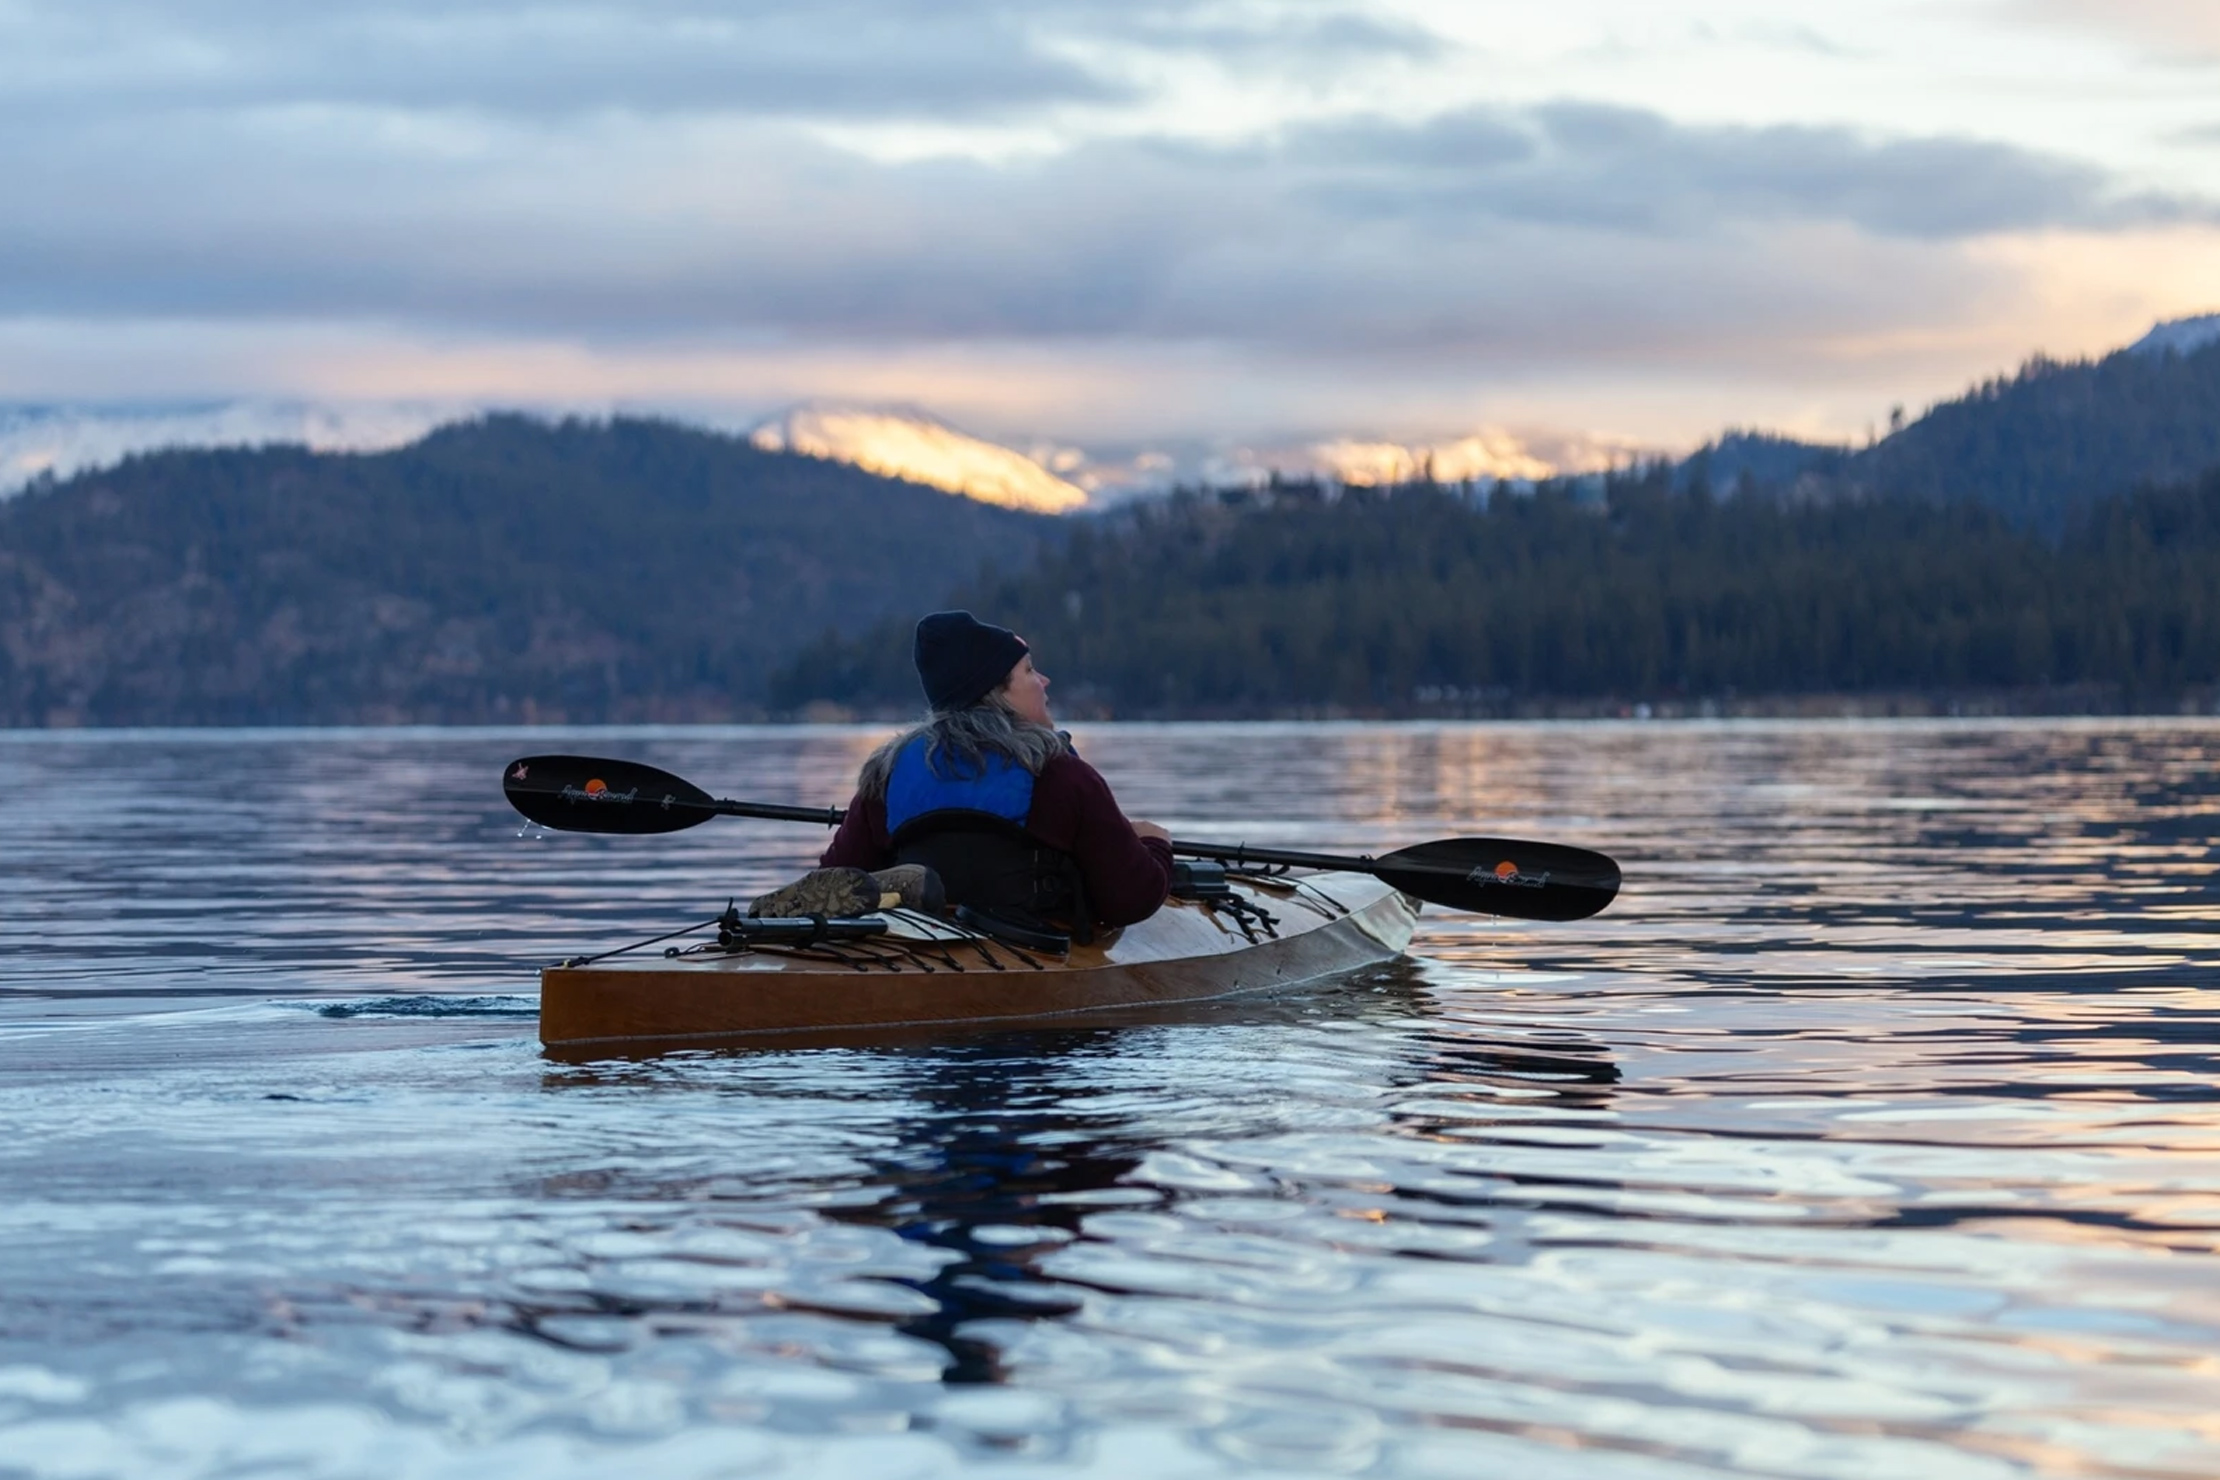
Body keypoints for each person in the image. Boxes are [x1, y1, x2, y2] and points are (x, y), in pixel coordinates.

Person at [816, 611, 1173, 935]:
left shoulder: (887, 774)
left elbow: (832, 881)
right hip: (1031, 945)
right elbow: (1131, 900)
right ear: (996, 693)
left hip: (920, 942)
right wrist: (1155, 845)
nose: (1044, 681)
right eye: (1030, 671)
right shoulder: (1062, 775)